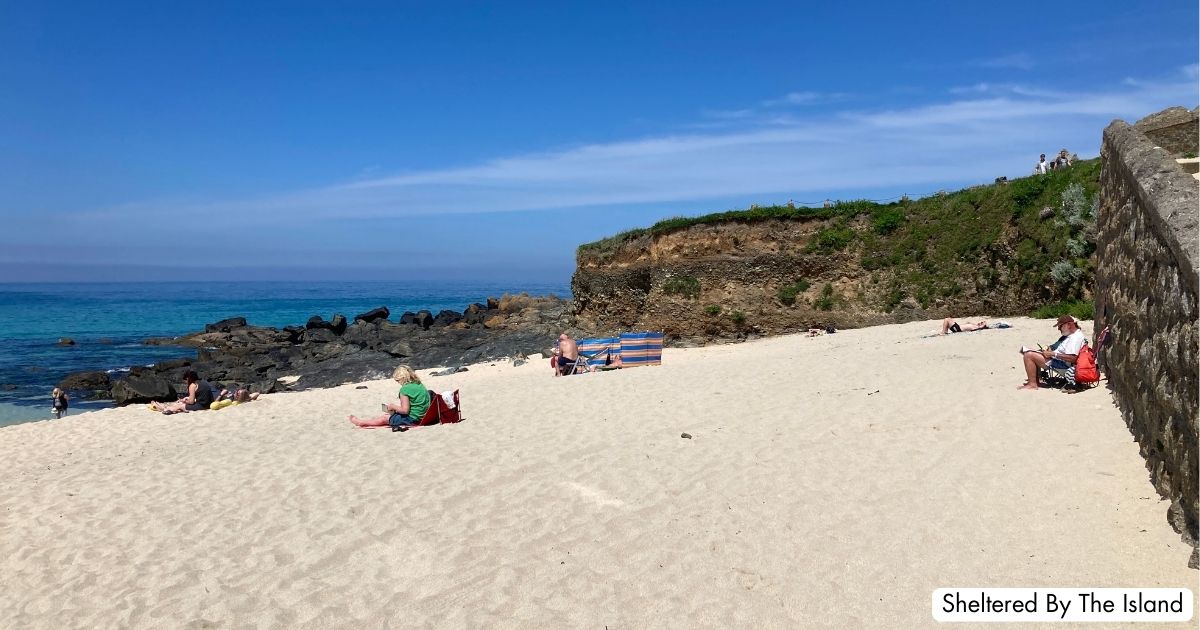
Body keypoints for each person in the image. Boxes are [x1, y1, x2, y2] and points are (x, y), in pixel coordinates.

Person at [349, 365, 431, 429]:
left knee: (385, 418)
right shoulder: (419, 384)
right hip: (423, 415)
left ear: (402, 379)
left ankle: (361, 422)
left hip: (413, 419)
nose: (398, 383)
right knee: (391, 414)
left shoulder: (404, 390)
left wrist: (393, 406)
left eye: (398, 380)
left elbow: (405, 410)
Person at [1018, 315, 1086, 390]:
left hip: (1065, 367)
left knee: (1028, 355)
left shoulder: (1075, 338)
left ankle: (1032, 384)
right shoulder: (1072, 335)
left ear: (1069, 325)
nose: (1059, 329)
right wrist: (1051, 352)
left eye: (1060, 326)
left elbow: (1073, 358)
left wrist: (1053, 354)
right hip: (1061, 362)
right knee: (1029, 351)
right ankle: (1036, 380)